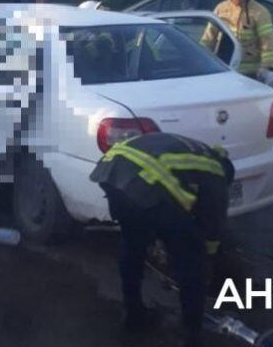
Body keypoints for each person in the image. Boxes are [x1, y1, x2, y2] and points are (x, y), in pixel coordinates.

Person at [90, 133, 234, 347]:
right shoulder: (216, 173)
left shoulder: (195, 148)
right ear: (227, 174)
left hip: (111, 171)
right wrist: (208, 258)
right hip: (142, 181)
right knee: (192, 263)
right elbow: (211, 225)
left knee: (133, 243)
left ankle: (133, 313)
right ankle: (192, 336)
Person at [200, 0, 273, 84]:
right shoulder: (221, 9)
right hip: (224, 67)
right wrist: (200, 58)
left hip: (251, 72)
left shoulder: (260, 12)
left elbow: (267, 42)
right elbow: (209, 38)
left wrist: (265, 67)